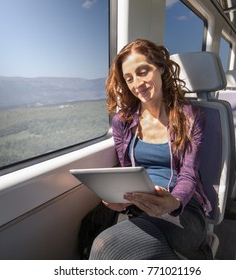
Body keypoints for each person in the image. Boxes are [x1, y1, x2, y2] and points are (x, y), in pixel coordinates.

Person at [89, 39, 212, 260]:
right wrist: (118, 199)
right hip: (139, 205)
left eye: (143, 71)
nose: (137, 83)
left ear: (161, 68)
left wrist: (172, 202)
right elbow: (128, 171)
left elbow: (189, 174)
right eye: (129, 79)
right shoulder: (122, 123)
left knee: (105, 247)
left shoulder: (192, 117)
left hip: (182, 207)